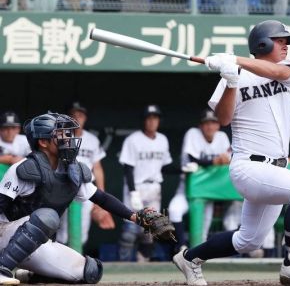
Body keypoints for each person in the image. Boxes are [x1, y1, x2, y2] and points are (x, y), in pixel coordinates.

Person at [172, 20, 290, 285]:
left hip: (276, 168)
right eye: (280, 41)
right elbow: (223, 119)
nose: (285, 46)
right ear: (263, 43)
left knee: (249, 240)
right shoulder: (236, 74)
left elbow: (275, 73)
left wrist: (235, 60)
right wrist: (231, 80)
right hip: (249, 167)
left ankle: (189, 258)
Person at [0, 112, 167, 284]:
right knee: (47, 216)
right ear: (43, 142)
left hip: (35, 244)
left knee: (90, 272)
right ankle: (2, 269)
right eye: (60, 134)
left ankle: (30, 275)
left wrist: (136, 217)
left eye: (68, 133)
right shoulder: (24, 169)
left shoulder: (72, 171)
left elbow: (101, 198)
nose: (68, 138)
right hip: (4, 235)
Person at [168, 109, 230, 252]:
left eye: (213, 123)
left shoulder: (222, 137)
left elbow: (229, 161)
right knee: (174, 210)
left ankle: (195, 258)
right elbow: (191, 159)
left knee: (202, 233)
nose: (210, 126)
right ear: (200, 126)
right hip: (187, 187)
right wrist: (213, 161)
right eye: (206, 123)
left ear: (218, 125)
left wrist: (222, 161)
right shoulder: (192, 134)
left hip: (208, 192)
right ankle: (181, 247)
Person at [56, 102, 115, 248]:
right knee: (62, 230)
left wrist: (100, 195)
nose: (77, 119)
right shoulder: (60, 137)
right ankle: (59, 263)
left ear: (85, 118)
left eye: (80, 116)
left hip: (85, 186)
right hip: (64, 185)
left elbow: (97, 167)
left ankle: (76, 261)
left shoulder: (92, 140)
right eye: (73, 115)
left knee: (82, 228)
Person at [118, 104, 172, 262]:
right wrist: (133, 192)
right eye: (149, 118)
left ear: (158, 121)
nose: (152, 121)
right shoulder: (132, 140)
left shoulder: (163, 140)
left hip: (154, 188)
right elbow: (128, 168)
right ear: (144, 121)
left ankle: (143, 265)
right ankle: (122, 269)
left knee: (149, 232)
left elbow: (166, 166)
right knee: (130, 232)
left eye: (155, 118)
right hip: (136, 188)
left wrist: (184, 169)